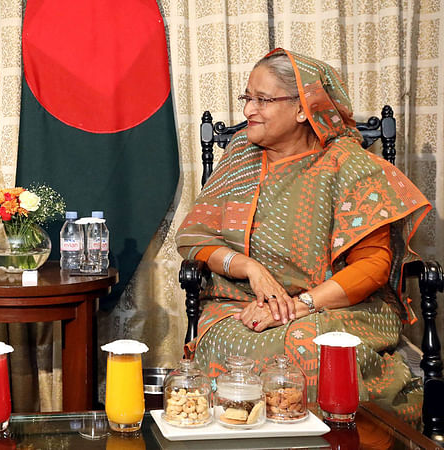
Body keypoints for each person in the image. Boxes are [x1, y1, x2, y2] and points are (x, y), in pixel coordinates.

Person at [176, 49, 430, 423]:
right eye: (248, 98)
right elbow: (195, 238)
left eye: (263, 100)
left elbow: (374, 266)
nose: (248, 110)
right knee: (230, 344)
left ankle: (332, 441)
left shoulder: (349, 165)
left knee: (308, 345)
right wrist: (250, 269)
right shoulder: (239, 158)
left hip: (338, 309)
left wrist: (299, 306)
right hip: (241, 305)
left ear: (302, 108)